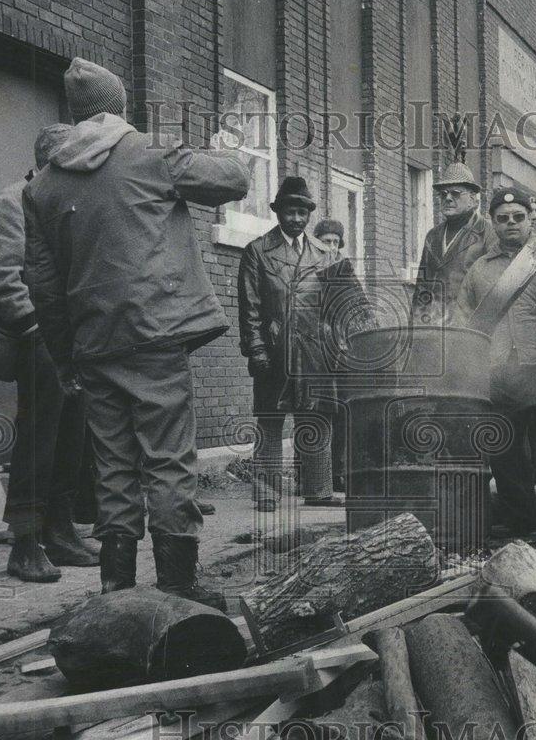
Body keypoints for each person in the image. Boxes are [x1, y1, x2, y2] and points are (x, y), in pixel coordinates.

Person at [23, 57, 250, 607]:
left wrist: (66, 359)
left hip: (92, 344)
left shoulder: (42, 186)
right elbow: (234, 180)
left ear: (76, 115)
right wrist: (231, 143)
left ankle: (116, 589)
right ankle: (176, 584)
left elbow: (43, 287)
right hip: (154, 334)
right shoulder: (148, 151)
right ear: (119, 108)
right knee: (168, 460)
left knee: (114, 468)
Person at [0, 123, 100, 582]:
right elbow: (1, 281)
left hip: (63, 343)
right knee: (41, 434)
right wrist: (42, 331)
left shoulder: (62, 207)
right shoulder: (11, 204)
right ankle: (26, 545)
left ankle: (60, 530)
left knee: (75, 428)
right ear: (50, 164)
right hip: (24, 338)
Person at [453, 188, 536, 535]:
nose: (511, 223)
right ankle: (520, 517)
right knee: (505, 450)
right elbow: (465, 319)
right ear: (493, 222)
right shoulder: (479, 269)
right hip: (498, 373)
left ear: (532, 218)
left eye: (518, 217)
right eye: (503, 218)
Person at [239, 179, 351, 511]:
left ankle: (318, 488)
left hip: (315, 348)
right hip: (275, 348)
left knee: (315, 416)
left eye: (302, 212)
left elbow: (336, 305)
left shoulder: (324, 254)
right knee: (270, 418)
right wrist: (256, 347)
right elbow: (250, 306)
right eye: (290, 211)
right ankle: (266, 491)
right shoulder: (258, 251)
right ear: (278, 212)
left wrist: (337, 344)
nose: (297, 219)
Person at [312, 217, 376, 490]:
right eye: (326, 241)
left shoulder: (344, 271)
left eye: (336, 242)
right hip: (314, 350)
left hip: (341, 350)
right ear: (317, 243)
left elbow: (360, 306)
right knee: (314, 413)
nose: (331, 247)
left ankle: (338, 474)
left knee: (341, 412)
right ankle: (312, 476)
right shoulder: (308, 268)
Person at [410, 161, 497, 326]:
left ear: (473, 199)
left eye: (455, 193)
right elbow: (421, 288)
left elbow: (494, 291)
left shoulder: (488, 233)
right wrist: (414, 330)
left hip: (468, 328)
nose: (448, 198)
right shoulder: (433, 236)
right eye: (443, 194)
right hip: (433, 327)